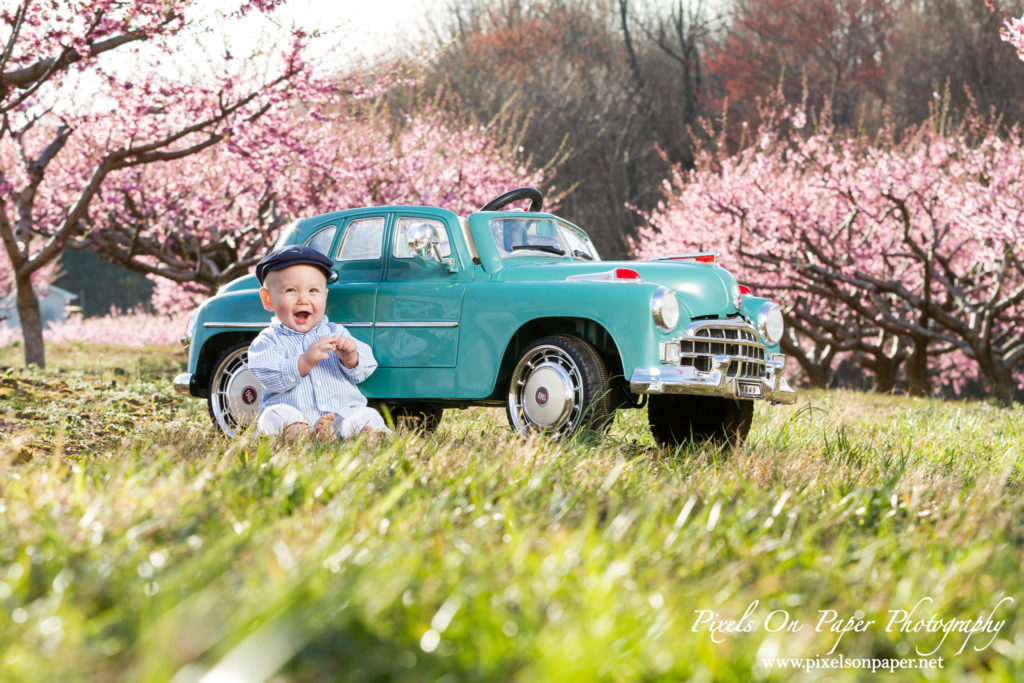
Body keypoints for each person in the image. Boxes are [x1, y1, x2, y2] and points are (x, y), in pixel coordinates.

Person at [246, 245, 389, 440]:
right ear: (269, 298)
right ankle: (300, 434)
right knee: (274, 415)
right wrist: (303, 362)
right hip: (296, 414)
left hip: (341, 416)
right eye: (290, 290)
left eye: (313, 290)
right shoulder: (268, 340)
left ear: (325, 295)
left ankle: (367, 437)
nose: (303, 299)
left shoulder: (335, 332)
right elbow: (269, 376)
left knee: (366, 415)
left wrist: (351, 358)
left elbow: (366, 368)